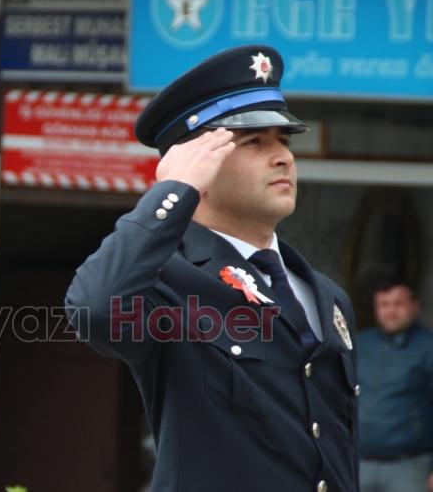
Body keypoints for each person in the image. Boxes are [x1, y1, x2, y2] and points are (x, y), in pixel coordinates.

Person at [65, 45, 359, 492]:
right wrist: (175, 189)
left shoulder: (326, 295)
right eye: (255, 142)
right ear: (200, 161)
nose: (283, 157)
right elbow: (95, 309)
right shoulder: (170, 284)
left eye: (284, 139)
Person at [358, 278, 433, 492]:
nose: (391, 311)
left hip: (410, 466)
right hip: (360, 461)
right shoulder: (361, 344)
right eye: (384, 305)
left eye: (398, 304)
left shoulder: (427, 347)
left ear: (415, 306)